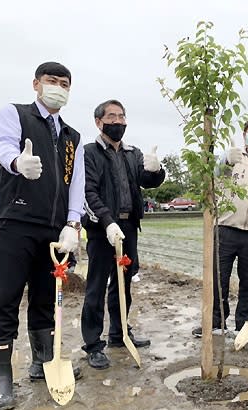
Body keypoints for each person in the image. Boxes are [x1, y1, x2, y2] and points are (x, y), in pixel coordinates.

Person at [0, 62, 84, 409]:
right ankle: (1, 377)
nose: (58, 87)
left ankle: (43, 361)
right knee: (7, 298)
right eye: (52, 81)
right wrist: (17, 162)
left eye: (64, 83)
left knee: (46, 299)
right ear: (36, 84)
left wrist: (73, 225)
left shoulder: (73, 138)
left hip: (53, 231)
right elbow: (2, 145)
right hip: (16, 221)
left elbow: (77, 185)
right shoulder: (15, 114)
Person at [81, 99, 165, 369]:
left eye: (121, 117)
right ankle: (93, 344)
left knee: (124, 282)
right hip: (102, 229)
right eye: (111, 117)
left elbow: (146, 181)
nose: (118, 122)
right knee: (96, 285)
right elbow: (89, 192)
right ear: (99, 121)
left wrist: (156, 171)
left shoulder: (132, 153)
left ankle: (119, 332)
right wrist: (106, 221)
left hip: (129, 227)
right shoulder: (89, 153)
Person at [191, 116, 248, 342]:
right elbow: (210, 176)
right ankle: (216, 322)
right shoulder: (232, 157)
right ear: (244, 134)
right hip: (226, 228)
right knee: (219, 278)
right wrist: (225, 161)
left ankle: (244, 326)